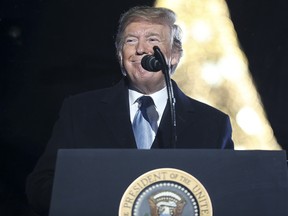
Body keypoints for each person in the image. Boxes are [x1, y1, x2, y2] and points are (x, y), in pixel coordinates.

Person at [25, 5, 234, 215]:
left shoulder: (212, 124)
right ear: (120, 56)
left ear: (174, 56)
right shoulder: (79, 112)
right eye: (130, 40)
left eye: (153, 40)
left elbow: (227, 195)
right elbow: (41, 186)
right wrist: (92, 198)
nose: (140, 49)